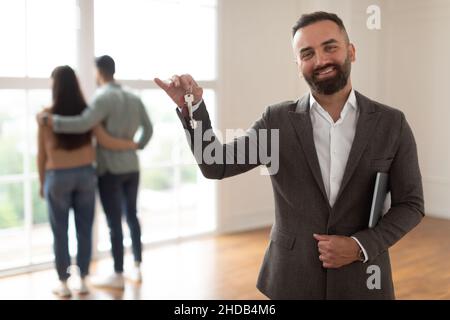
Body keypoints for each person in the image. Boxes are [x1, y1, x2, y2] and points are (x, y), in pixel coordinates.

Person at [154, 11, 424, 299]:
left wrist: (360, 246)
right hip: (291, 280)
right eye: (307, 53)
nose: (320, 60)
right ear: (298, 65)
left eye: (330, 47)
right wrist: (193, 109)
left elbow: (411, 204)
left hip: (364, 280)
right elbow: (215, 164)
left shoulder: (391, 123)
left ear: (351, 51)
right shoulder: (277, 121)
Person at [38, 56, 153, 290]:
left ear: (99, 72)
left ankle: (109, 275)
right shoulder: (130, 97)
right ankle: (132, 267)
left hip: (102, 170)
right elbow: (148, 129)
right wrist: (136, 145)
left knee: (103, 224)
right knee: (128, 216)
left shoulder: (98, 100)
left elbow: (80, 126)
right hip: (124, 167)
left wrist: (51, 120)